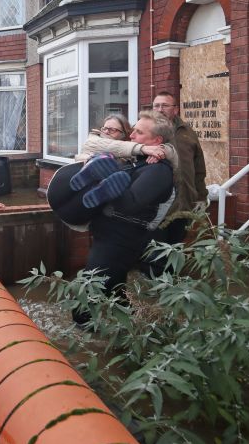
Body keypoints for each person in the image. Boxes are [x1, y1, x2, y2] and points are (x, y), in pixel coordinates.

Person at [61, 111, 175, 323]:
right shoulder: (139, 160)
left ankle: (83, 344)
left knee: (86, 297)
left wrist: (109, 185)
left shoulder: (158, 170)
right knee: (115, 291)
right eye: (132, 131)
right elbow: (103, 146)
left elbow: (131, 204)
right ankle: (134, 329)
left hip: (119, 241)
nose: (131, 136)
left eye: (139, 132)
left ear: (156, 141)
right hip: (109, 236)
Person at [149, 91, 208, 252]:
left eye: (165, 105)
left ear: (175, 110)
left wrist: (201, 197)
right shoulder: (144, 130)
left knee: (175, 248)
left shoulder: (187, 132)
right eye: (156, 105)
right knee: (154, 250)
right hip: (156, 204)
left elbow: (199, 168)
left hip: (183, 203)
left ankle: (173, 277)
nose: (160, 109)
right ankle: (152, 276)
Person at [75, 113, 174, 165]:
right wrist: (142, 148)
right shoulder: (92, 141)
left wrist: (163, 150)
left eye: (112, 130)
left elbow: (174, 155)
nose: (105, 132)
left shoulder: (129, 148)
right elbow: (108, 146)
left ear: (124, 134)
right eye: (104, 128)